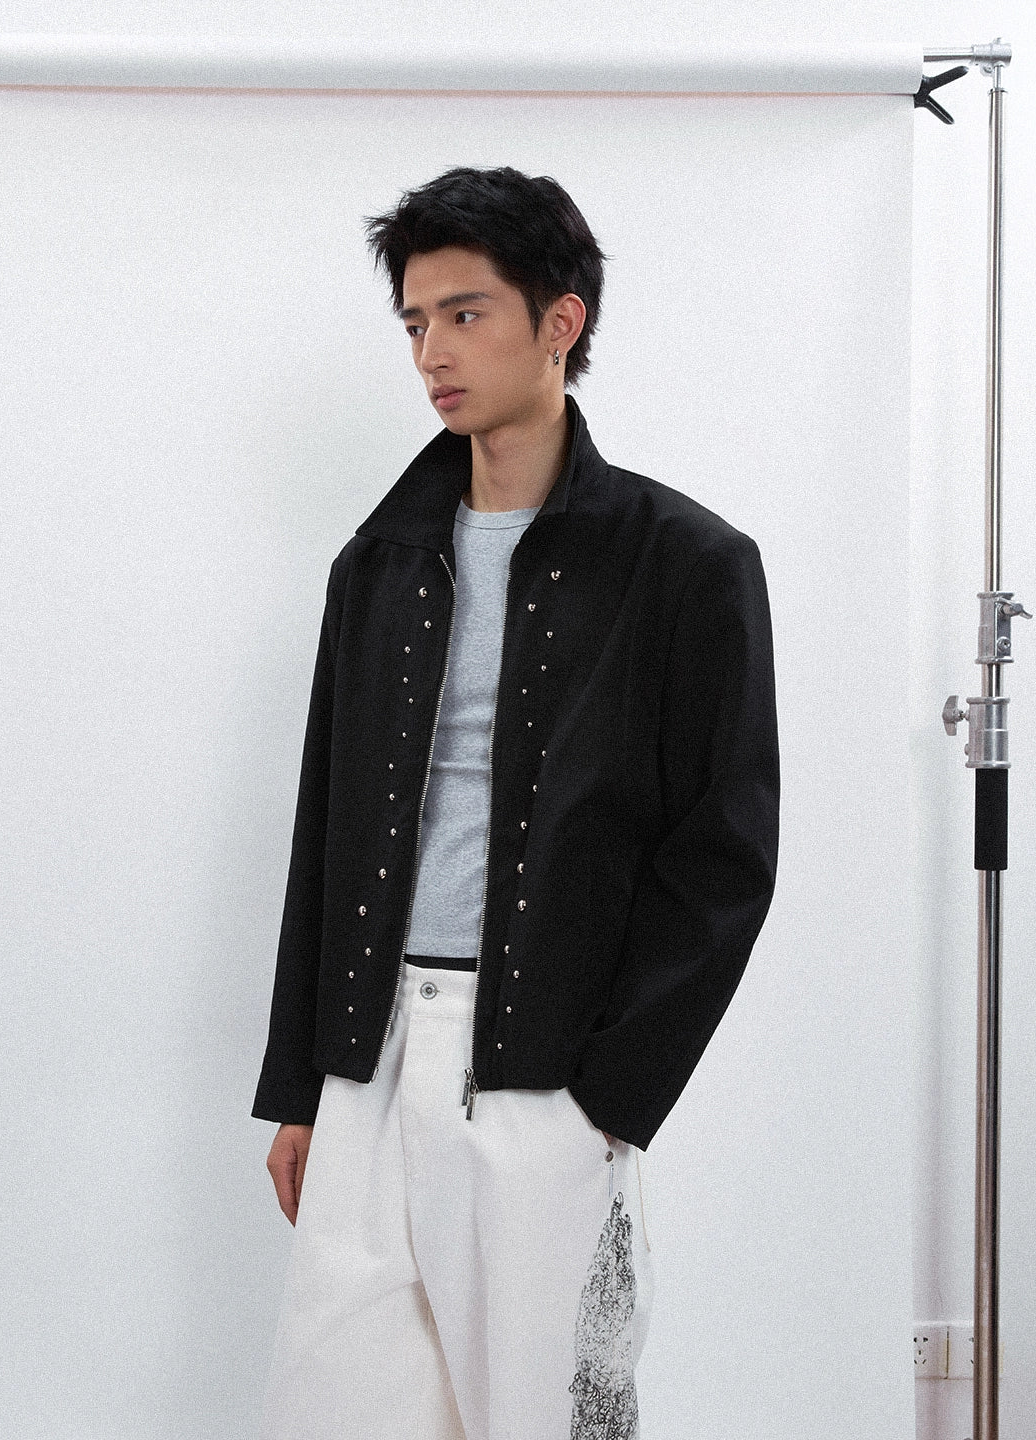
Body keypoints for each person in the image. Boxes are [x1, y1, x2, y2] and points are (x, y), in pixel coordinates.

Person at [253, 164, 779, 1440]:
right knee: (340, 1413)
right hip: (370, 1053)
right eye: (415, 322)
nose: (432, 352)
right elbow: (327, 828)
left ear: (561, 321)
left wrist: (611, 1096)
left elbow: (725, 853)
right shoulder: (377, 564)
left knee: (549, 1417)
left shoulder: (686, 564)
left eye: (466, 313)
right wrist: (300, 1088)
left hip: (547, 1077)